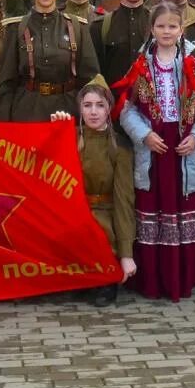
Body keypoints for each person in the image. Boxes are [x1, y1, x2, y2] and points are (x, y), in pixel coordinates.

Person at [116, 2, 195, 301]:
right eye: (161, 26)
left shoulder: (191, 66)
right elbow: (125, 110)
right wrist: (144, 135)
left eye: (172, 26)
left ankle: (183, 276)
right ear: (152, 29)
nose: (167, 31)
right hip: (153, 149)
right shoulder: (141, 67)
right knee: (152, 210)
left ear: (181, 29)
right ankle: (153, 278)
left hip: (182, 148)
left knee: (183, 208)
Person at [55, 76, 136, 304]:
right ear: (79, 108)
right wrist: (54, 128)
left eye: (100, 105)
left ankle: (105, 281)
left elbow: (124, 201)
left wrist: (126, 255)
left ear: (109, 108)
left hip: (105, 214)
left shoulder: (119, 147)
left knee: (100, 230)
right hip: (75, 213)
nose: (93, 112)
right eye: (87, 105)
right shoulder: (68, 137)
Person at [0, 0, 101, 123]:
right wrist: (4, 124)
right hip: (27, 111)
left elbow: (90, 78)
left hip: (68, 110)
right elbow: (7, 82)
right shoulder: (16, 28)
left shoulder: (76, 27)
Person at [93, 0, 152, 93]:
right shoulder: (100, 26)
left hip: (151, 108)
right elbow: (93, 74)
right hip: (113, 106)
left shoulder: (158, 23)